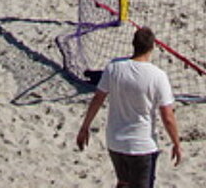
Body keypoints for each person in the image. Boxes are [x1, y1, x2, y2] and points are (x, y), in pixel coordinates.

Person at [75, 26, 182, 187]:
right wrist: (177, 143)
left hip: (115, 143)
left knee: (123, 183)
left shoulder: (114, 67)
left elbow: (98, 99)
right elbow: (167, 116)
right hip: (141, 146)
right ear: (152, 48)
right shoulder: (158, 76)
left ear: (133, 44)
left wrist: (85, 127)